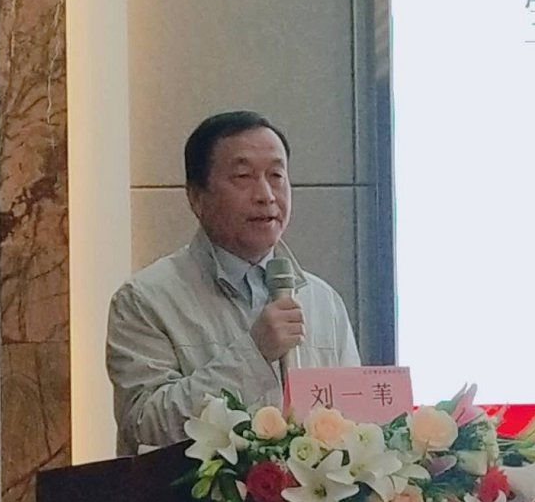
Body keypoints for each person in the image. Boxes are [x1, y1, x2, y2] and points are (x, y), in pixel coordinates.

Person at [106, 111, 360, 455]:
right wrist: (254, 355)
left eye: (276, 176)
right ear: (197, 198)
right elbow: (144, 426)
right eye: (243, 177)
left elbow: (357, 428)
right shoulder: (144, 300)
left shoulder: (322, 300)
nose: (266, 195)